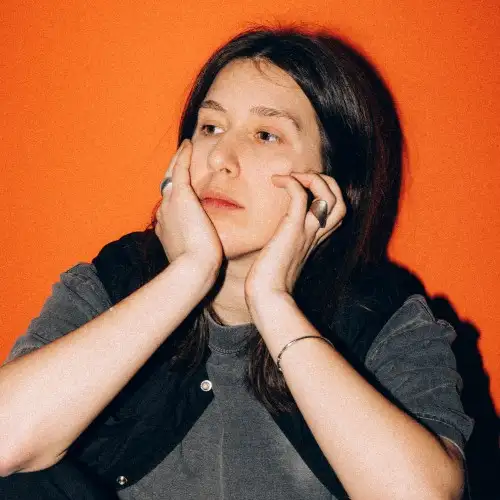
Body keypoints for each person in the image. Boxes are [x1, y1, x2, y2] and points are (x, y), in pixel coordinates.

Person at [0, 27, 473, 499]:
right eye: (210, 128)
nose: (221, 159)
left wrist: (273, 303)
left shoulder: (383, 318)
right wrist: (189, 274)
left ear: (328, 182)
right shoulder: (114, 282)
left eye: (266, 135)